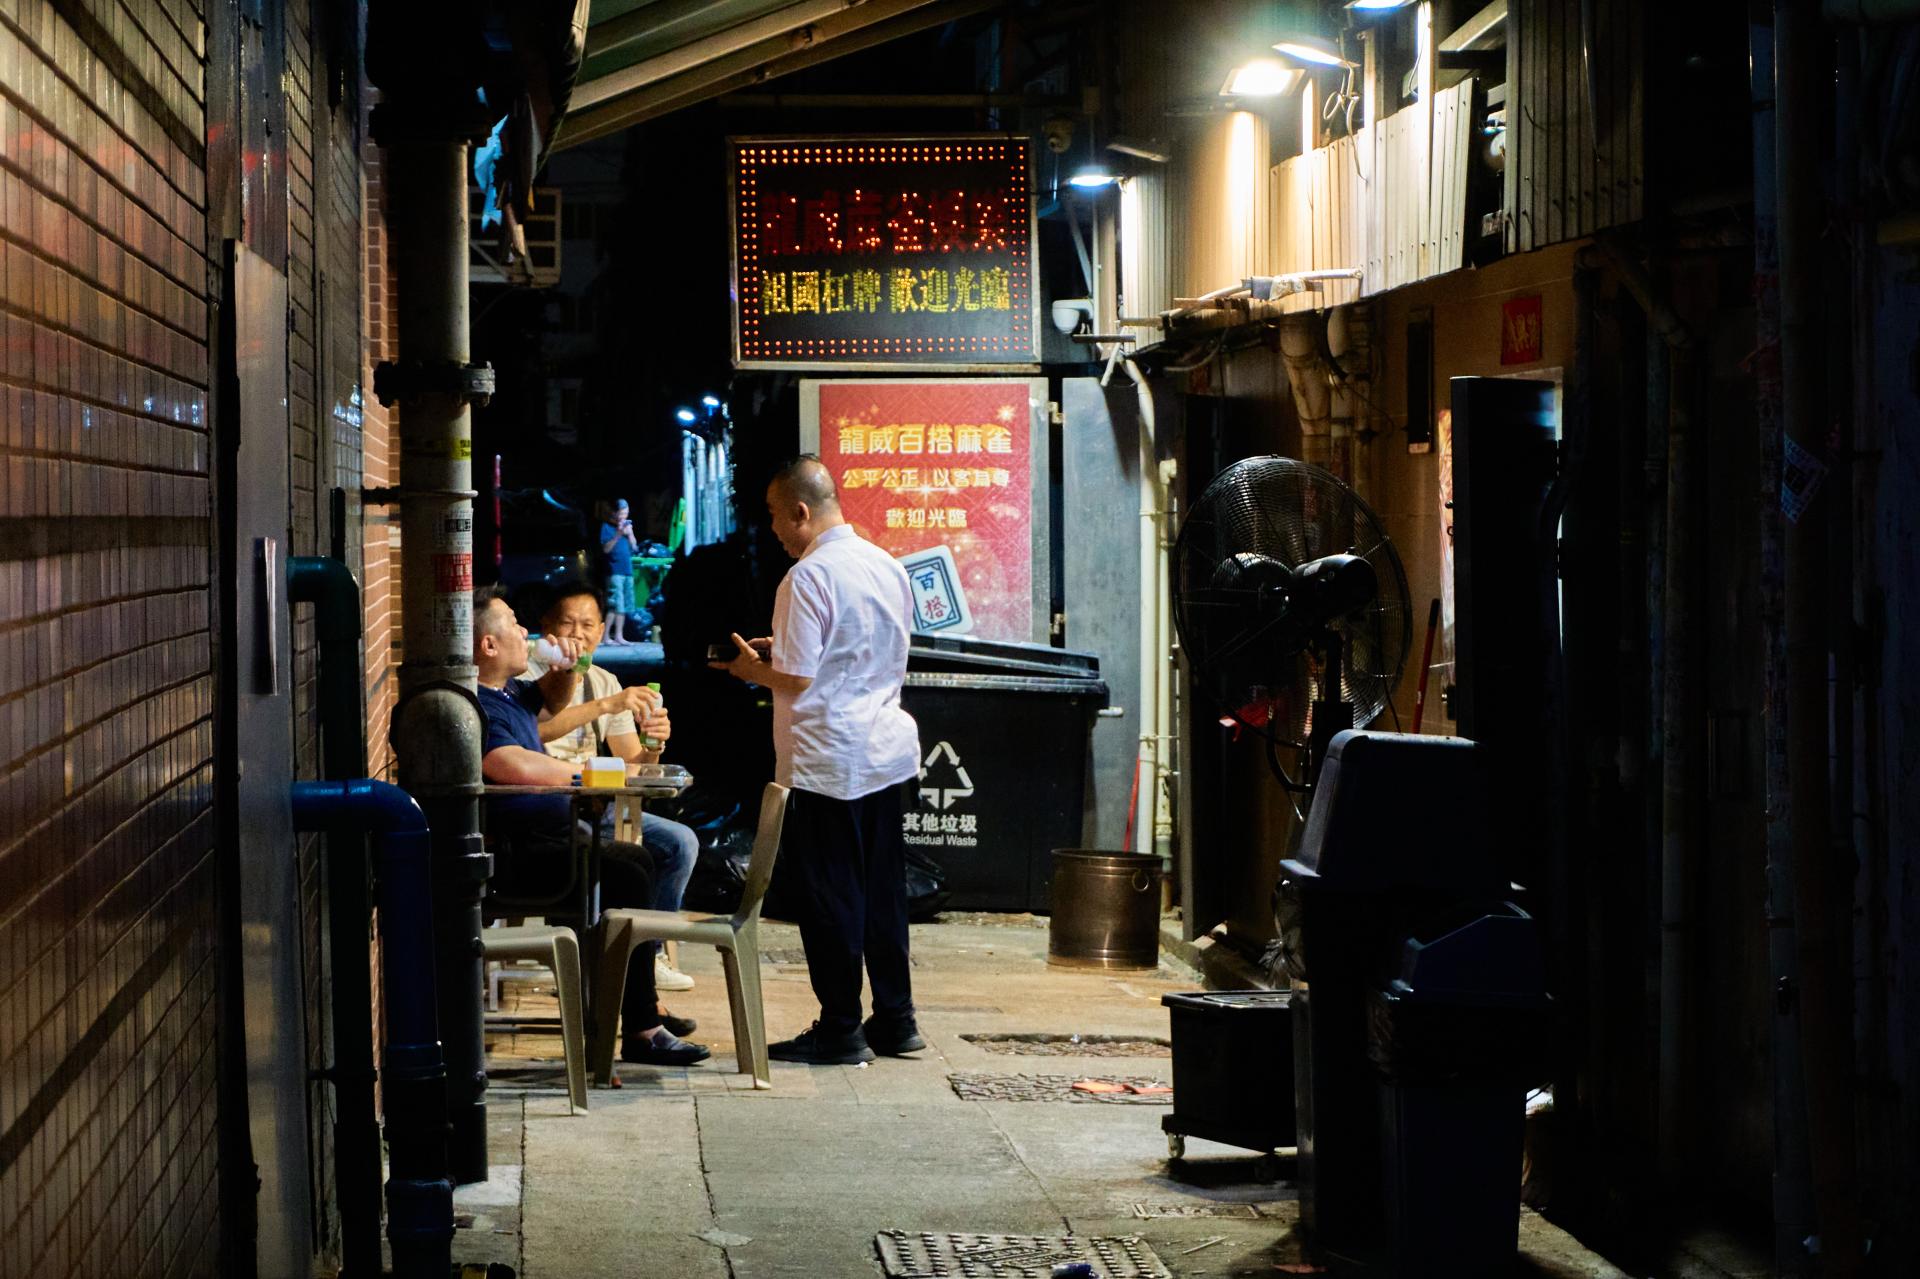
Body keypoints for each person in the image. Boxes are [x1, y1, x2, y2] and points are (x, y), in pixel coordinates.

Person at [711, 456, 925, 1065]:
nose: (774, 529)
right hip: (885, 752)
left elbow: (798, 680)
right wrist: (787, 653)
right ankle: (897, 1020)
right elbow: (860, 649)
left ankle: (839, 1028)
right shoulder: (886, 565)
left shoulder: (806, 578)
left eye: (777, 517)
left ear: (801, 512)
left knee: (831, 897)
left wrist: (750, 669)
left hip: (828, 758)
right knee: (883, 891)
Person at [473, 586, 709, 1066]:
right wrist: (593, 777)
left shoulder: (511, 693)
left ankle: (638, 1014)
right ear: (488, 646)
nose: (525, 632)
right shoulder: (477, 702)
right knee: (630, 869)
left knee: (640, 859)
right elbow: (507, 763)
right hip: (517, 851)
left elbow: (552, 703)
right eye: (516, 624)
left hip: (557, 835)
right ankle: (635, 1021)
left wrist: (569, 667)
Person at [525, 579, 701, 992]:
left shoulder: (605, 680)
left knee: (679, 843)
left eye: (587, 625)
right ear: (546, 627)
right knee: (618, 858)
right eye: (567, 623)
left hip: (597, 805)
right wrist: (605, 707)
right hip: (548, 811)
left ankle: (647, 953)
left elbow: (633, 767)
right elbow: (534, 733)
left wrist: (653, 742)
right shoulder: (526, 675)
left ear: (602, 631)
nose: (577, 634)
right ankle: (593, 968)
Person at [599, 499, 639, 645]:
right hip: (614, 571)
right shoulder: (607, 528)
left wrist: (629, 534)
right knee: (615, 604)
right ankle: (605, 637)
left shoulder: (627, 527)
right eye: (622, 513)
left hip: (627, 570)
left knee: (624, 606)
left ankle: (619, 636)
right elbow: (605, 549)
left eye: (626, 513)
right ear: (615, 513)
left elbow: (635, 548)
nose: (624, 516)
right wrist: (618, 534)